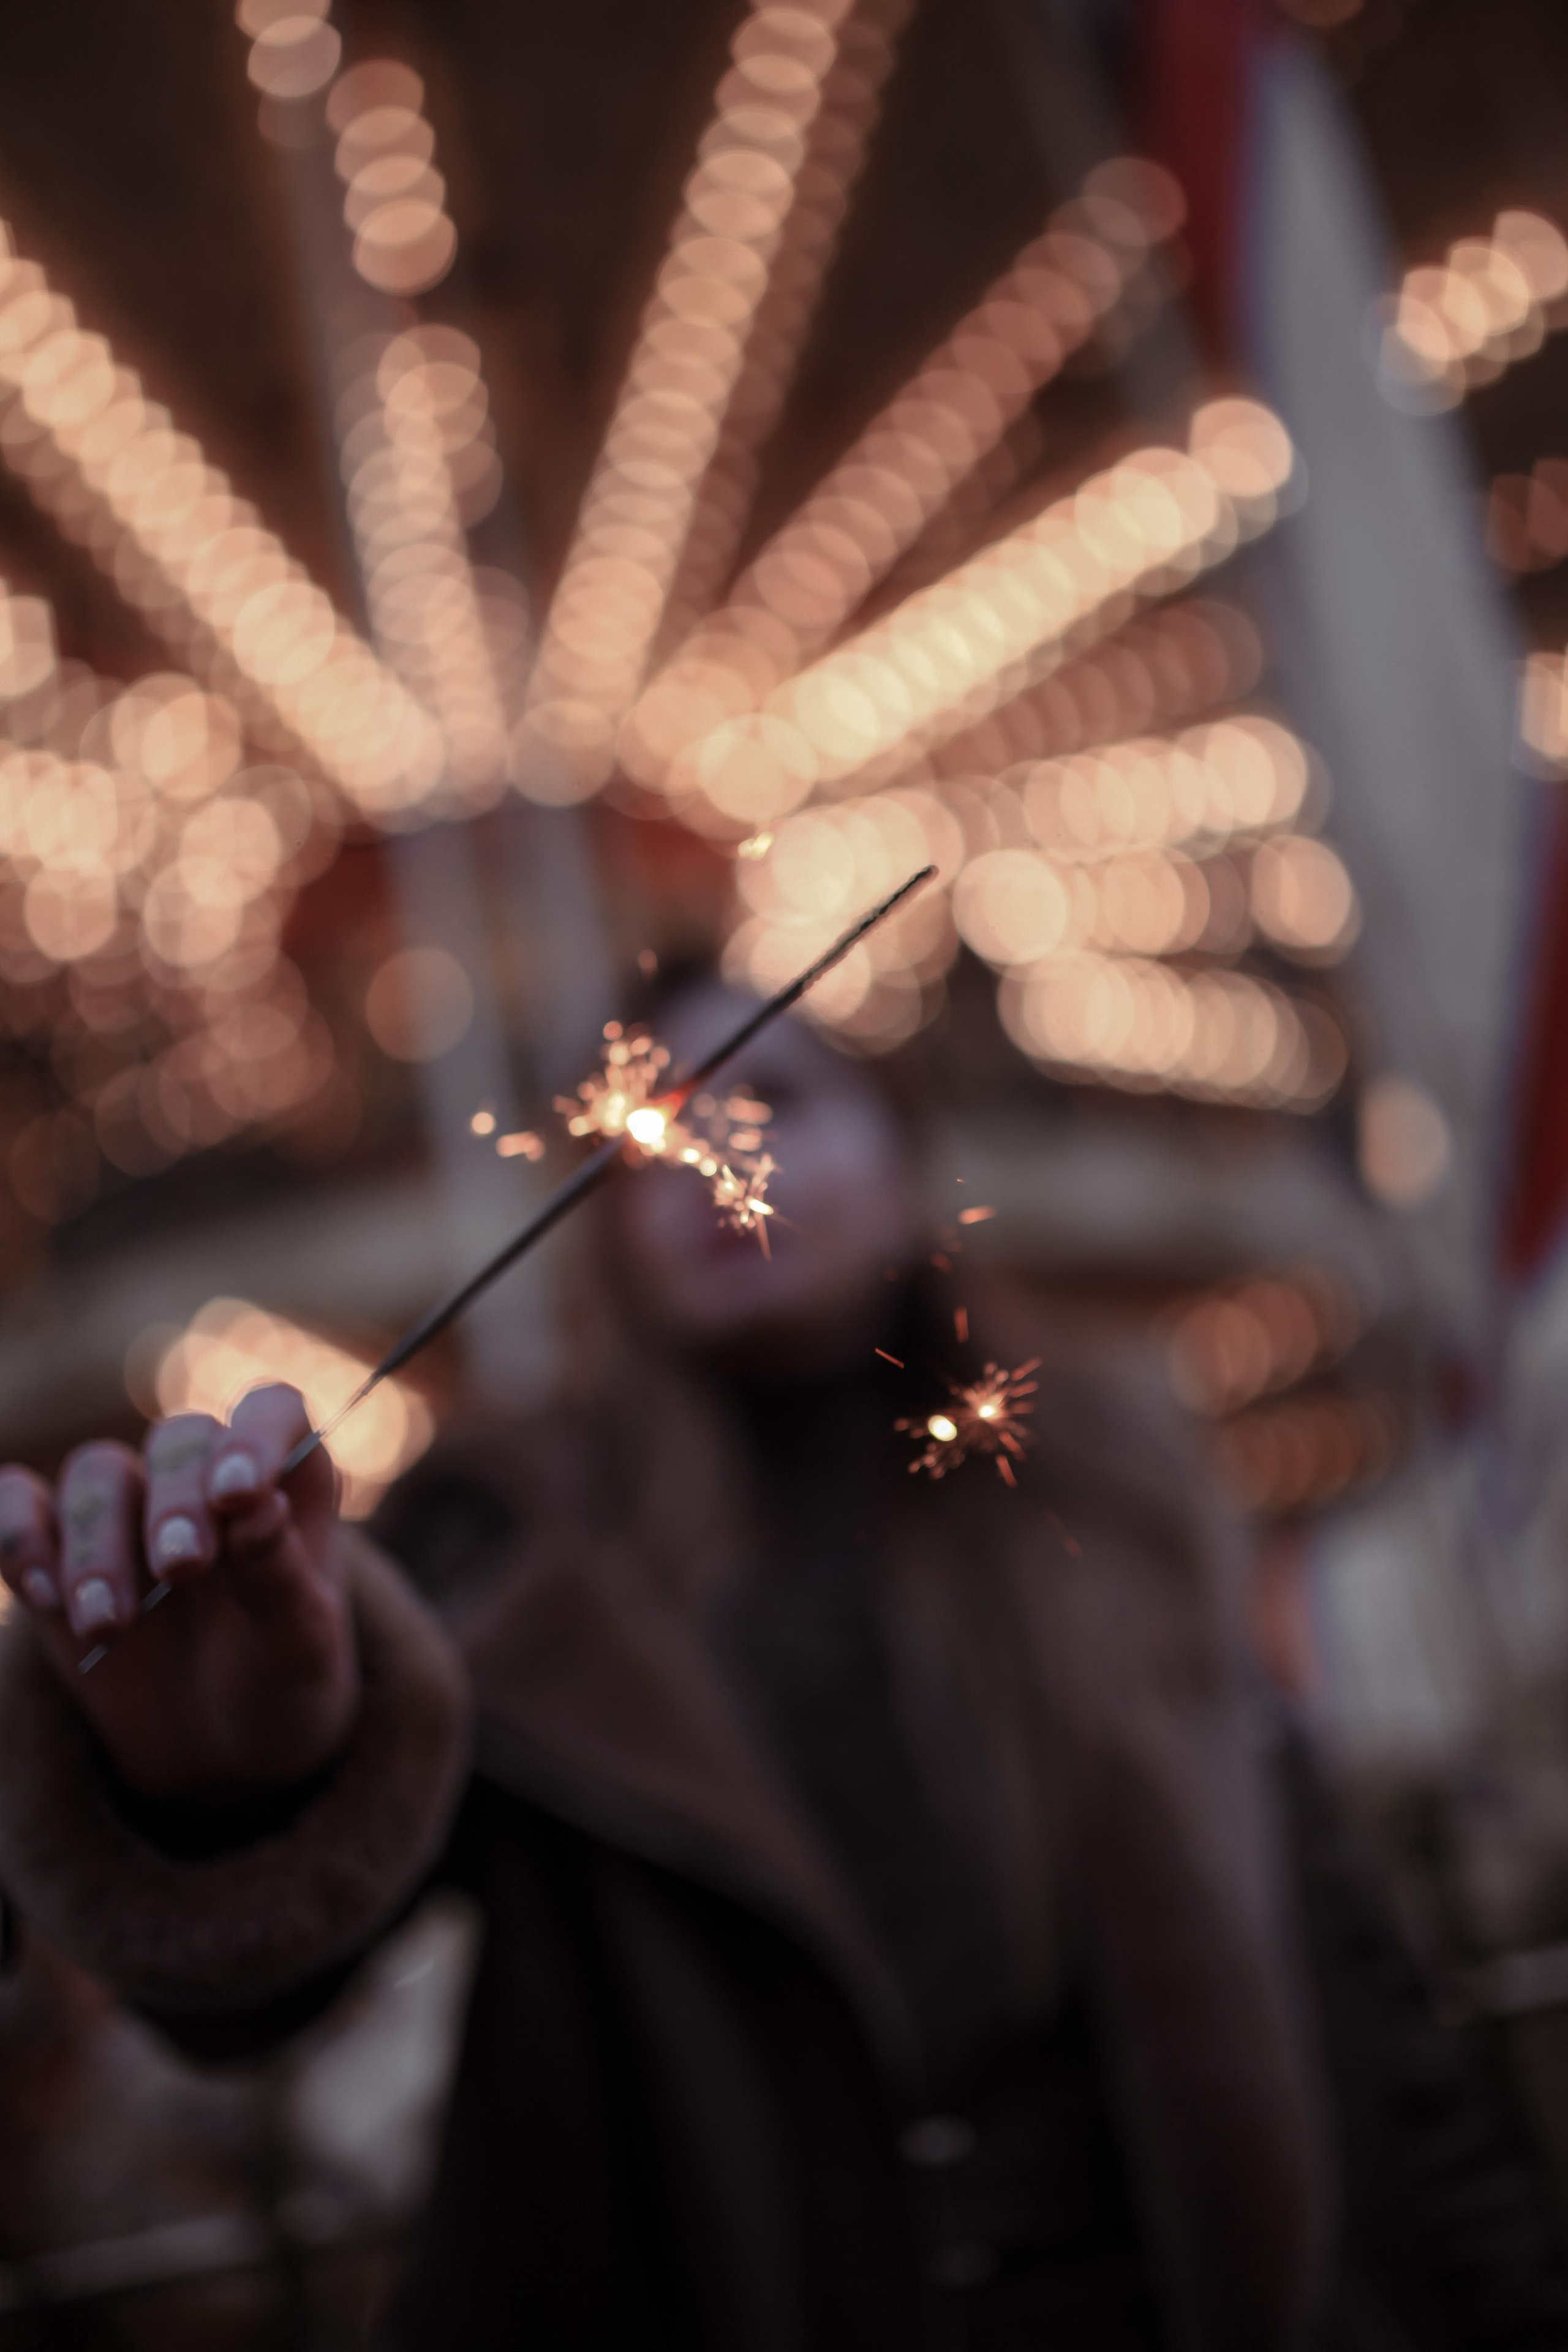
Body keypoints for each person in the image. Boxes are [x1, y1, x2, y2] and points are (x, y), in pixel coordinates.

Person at [0, 979, 1564, 2351]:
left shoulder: (1113, 1512)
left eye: (784, 1100)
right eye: (659, 1128)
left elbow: (1342, 1970)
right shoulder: (506, 1555)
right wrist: (228, 1776)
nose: (718, 1154)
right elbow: (275, 1966)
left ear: (903, 1163)